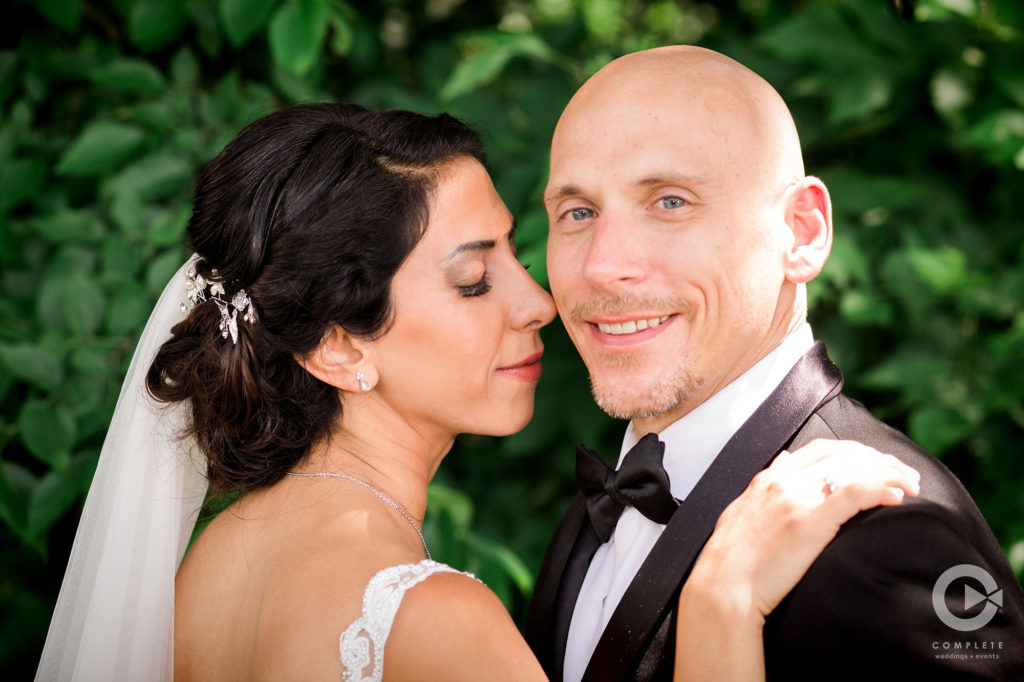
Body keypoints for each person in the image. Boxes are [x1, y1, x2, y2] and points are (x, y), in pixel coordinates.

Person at [36, 102, 919, 682]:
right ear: (340, 348)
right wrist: (722, 599)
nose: (538, 302)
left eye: (514, 250)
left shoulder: (207, 571)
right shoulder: (430, 618)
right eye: (472, 280)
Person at [527, 45, 1024, 681]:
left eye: (670, 201)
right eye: (579, 213)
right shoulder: (597, 511)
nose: (601, 264)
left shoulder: (891, 534)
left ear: (803, 232)